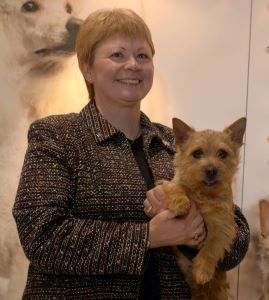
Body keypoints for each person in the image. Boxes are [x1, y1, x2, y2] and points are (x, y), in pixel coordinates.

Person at [13, 8, 250, 299]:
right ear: (88, 68)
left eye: (142, 56)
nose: (133, 65)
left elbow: (236, 243)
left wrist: (192, 234)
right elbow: (42, 238)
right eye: (117, 55)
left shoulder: (177, 144)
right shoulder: (56, 135)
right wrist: (148, 236)